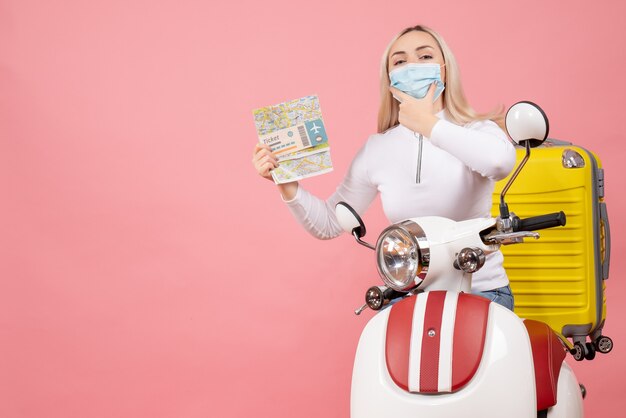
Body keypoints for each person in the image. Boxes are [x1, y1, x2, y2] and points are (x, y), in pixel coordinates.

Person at [251, 25, 517, 310]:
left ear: (444, 69)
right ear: (390, 78)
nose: (412, 66)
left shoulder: (476, 129)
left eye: (425, 56)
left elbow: (499, 163)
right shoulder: (378, 148)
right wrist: (287, 185)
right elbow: (329, 223)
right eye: (400, 61)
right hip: (407, 297)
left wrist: (428, 124)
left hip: (480, 293)